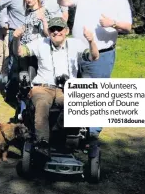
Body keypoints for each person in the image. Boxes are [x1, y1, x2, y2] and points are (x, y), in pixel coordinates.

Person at [58, 0, 133, 138]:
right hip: (77, 52)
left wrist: (112, 23)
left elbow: (128, 27)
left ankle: (92, 134)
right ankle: (73, 130)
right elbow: (64, 2)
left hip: (103, 54)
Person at [16, 17, 98, 155]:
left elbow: (94, 56)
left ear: (66, 30)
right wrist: (16, 39)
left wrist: (91, 42)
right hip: (42, 87)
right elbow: (20, 52)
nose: (56, 32)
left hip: (66, 88)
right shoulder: (40, 43)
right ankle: (42, 143)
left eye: (59, 29)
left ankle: (60, 134)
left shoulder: (76, 44)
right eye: (52, 29)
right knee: (41, 104)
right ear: (48, 31)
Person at [0, 0, 40, 106]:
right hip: (16, 35)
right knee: (15, 66)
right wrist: (3, 22)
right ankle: (11, 95)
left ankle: (27, 95)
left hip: (32, 36)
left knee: (30, 68)